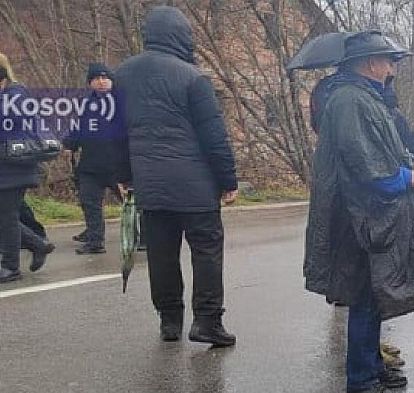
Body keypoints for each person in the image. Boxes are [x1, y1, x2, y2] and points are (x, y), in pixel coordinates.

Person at [304, 31, 414, 393]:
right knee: (365, 296)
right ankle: (361, 380)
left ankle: (372, 366)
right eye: (388, 61)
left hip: (364, 214)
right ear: (370, 63)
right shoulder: (351, 100)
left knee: (374, 294)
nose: (392, 67)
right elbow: (366, 165)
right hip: (358, 217)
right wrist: (406, 177)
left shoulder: (363, 97)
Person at [115, 6, 239, 346]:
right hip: (195, 187)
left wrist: (123, 175)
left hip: (150, 184)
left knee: (161, 253)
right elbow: (213, 136)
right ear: (182, 36)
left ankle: (169, 322)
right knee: (206, 251)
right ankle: (207, 321)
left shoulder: (121, 75)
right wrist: (228, 180)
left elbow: (115, 134)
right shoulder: (193, 77)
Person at [0, 53, 53, 283]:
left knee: (7, 217)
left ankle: (10, 267)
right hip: (8, 166)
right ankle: (37, 244)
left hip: (15, 166)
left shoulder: (15, 96)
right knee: (5, 216)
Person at [63, 63, 125, 255]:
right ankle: (95, 240)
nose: (101, 81)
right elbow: (79, 128)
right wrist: (69, 145)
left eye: (105, 77)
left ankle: (145, 237)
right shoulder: (86, 104)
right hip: (91, 164)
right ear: (90, 83)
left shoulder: (123, 101)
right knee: (89, 203)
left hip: (119, 166)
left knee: (133, 205)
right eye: (96, 78)